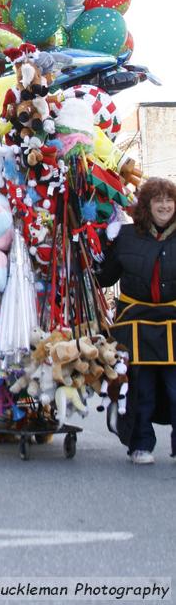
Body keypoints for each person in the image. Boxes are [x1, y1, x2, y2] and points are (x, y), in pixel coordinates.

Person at [97, 177, 176, 465]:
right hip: (135, 323)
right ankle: (140, 444)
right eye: (158, 201)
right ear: (147, 206)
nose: (165, 206)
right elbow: (104, 276)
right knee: (141, 391)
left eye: (169, 200)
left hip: (173, 322)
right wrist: (101, 244)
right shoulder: (127, 236)